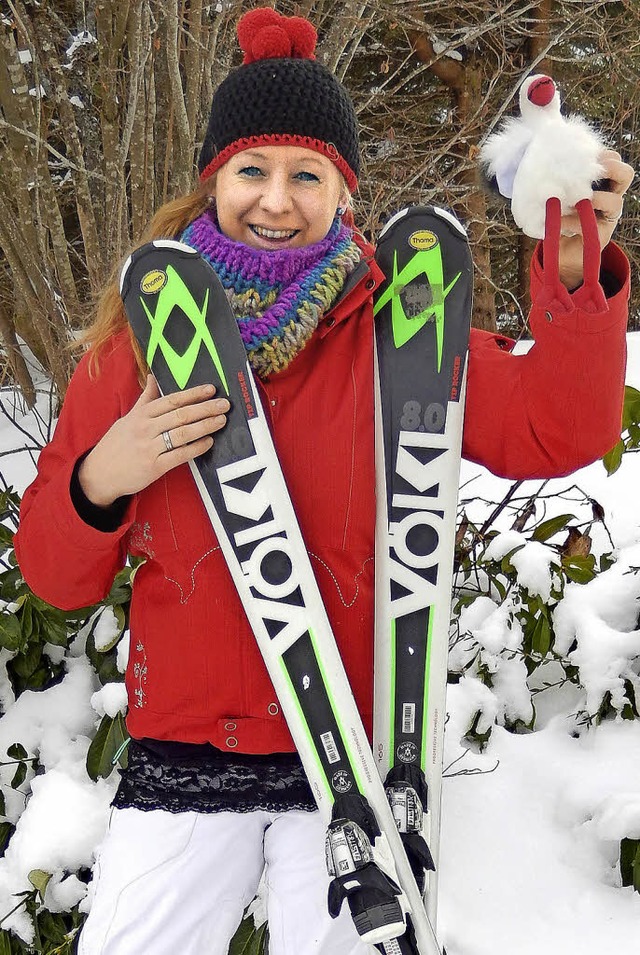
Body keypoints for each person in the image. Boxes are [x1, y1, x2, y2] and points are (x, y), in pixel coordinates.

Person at [14, 7, 633, 955]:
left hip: (353, 759)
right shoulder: (139, 347)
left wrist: (574, 273)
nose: (276, 199)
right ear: (213, 179)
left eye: (307, 175)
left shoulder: (397, 335)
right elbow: (55, 580)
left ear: (343, 191)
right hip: (190, 758)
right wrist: (106, 474)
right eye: (252, 171)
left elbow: (560, 426)